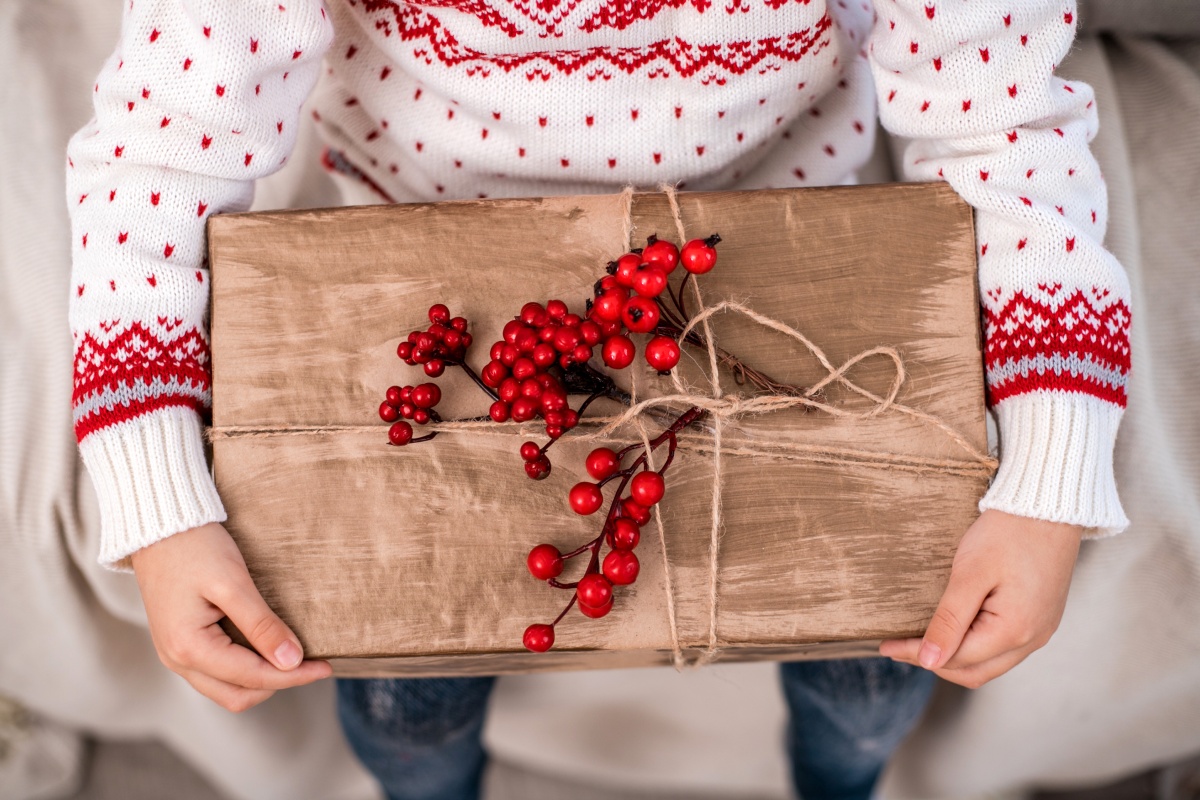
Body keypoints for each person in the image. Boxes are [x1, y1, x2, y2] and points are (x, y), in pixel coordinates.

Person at [64, 1, 1130, 798]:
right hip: (435, 281)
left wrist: (1050, 461)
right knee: (404, 702)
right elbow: (158, 149)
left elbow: (1008, 125)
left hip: (783, 262)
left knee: (875, 676)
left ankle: (838, 782)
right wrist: (157, 489)